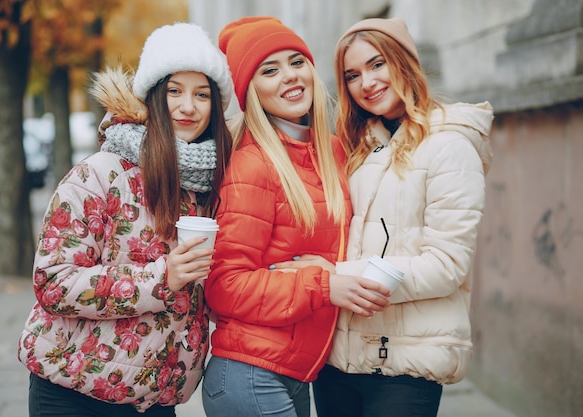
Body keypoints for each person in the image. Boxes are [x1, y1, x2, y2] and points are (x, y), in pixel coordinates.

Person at [17, 22, 234, 417]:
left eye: (202, 94)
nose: (189, 106)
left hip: (154, 399)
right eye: (175, 91)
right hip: (74, 392)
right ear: (152, 96)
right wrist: (160, 278)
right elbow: (52, 282)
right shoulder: (99, 173)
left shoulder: (212, 184)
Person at [200, 16, 390, 417]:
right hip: (250, 374)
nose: (290, 77)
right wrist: (323, 286)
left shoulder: (334, 153)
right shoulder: (253, 164)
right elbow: (224, 285)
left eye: (296, 62)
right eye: (269, 70)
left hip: (296, 372)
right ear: (250, 91)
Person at [305, 17, 494, 417]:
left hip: (408, 363)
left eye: (377, 64)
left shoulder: (449, 147)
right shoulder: (358, 151)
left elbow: (447, 265)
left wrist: (337, 274)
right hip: (338, 359)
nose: (366, 82)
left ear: (404, 62)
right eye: (352, 74)